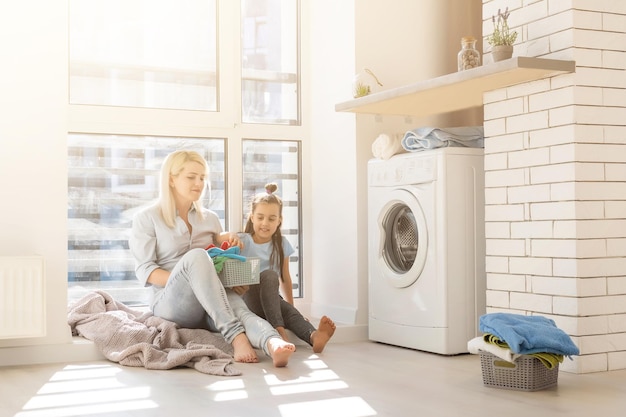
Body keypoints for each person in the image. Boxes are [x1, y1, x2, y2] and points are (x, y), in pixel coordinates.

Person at [129, 150, 295, 367]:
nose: (199, 183)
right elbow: (146, 270)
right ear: (171, 179)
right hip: (170, 301)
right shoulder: (146, 218)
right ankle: (237, 337)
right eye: (191, 177)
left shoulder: (211, 219)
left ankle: (272, 342)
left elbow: (219, 262)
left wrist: (232, 279)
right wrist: (193, 278)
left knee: (240, 310)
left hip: (209, 300)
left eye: (202, 178)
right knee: (198, 256)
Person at [239, 183, 336, 353]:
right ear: (252, 217)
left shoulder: (282, 244)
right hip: (249, 300)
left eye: (271, 218)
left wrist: (292, 306)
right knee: (269, 275)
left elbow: (285, 278)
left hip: (271, 302)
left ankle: (314, 337)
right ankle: (279, 330)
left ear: (279, 220)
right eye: (260, 217)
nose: (265, 223)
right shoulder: (244, 241)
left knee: (291, 314)